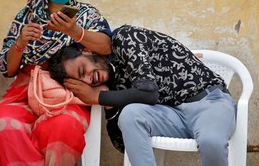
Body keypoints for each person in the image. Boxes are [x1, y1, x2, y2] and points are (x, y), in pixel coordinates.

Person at [48, 24, 237, 166]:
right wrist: (108, 102)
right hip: (173, 115)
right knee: (130, 114)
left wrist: (98, 98)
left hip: (208, 102)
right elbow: (123, 144)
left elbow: (149, 94)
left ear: (86, 51)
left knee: (210, 141)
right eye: (82, 82)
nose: (89, 80)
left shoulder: (124, 39)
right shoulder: (112, 83)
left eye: (83, 70)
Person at [0, 0, 112, 166]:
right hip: (25, 92)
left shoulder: (85, 14)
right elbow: (8, 69)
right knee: (3, 120)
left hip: (68, 94)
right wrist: (21, 42)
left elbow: (106, 46)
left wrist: (74, 32)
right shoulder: (26, 17)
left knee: (63, 126)